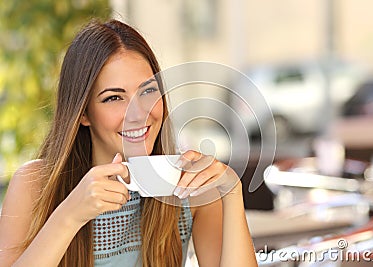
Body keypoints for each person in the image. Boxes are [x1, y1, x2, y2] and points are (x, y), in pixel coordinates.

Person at [0, 19, 257, 267]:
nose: (139, 113)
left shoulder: (188, 185)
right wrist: (69, 215)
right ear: (84, 114)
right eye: (114, 98)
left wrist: (231, 190)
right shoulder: (35, 185)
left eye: (148, 91)